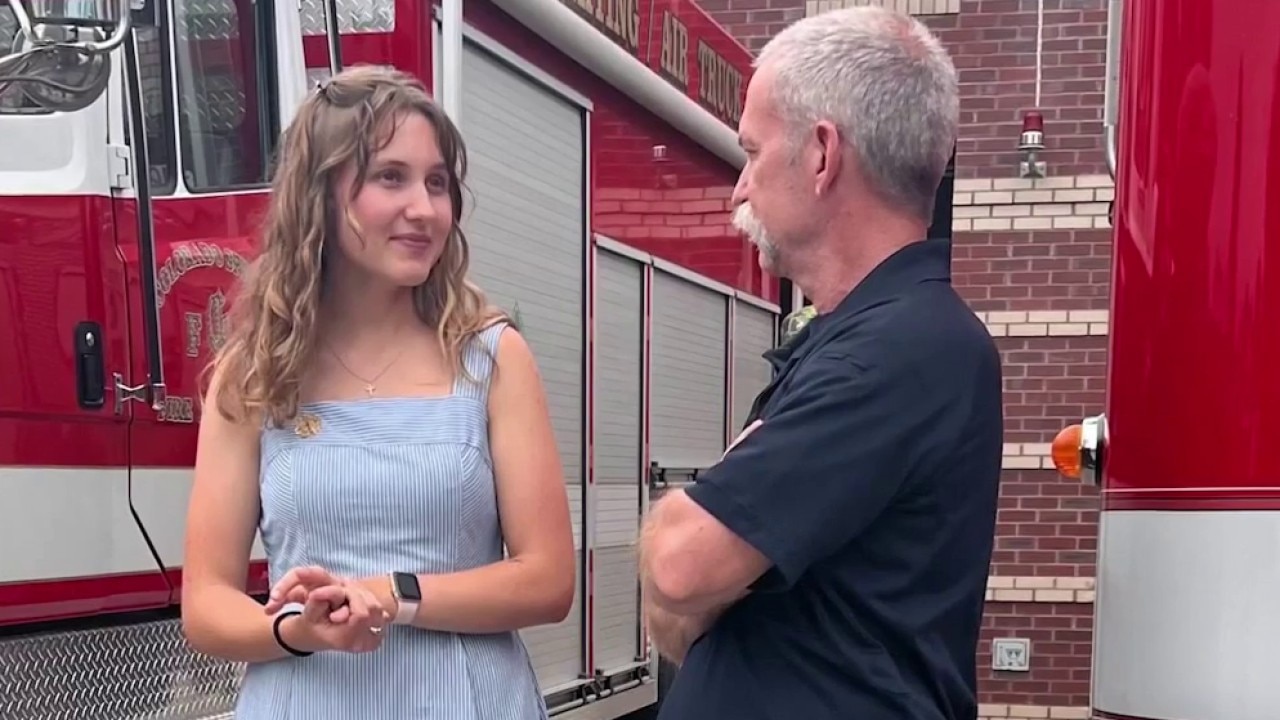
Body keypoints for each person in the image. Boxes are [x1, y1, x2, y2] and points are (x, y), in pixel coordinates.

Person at [638, 6, 1003, 720]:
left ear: (822, 154)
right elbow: (678, 617)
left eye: (752, 152)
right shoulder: (867, 341)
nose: (740, 188)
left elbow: (679, 568)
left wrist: (694, 524)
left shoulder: (900, 352)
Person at [179, 65, 576, 719]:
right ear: (319, 195)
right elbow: (206, 606)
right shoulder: (255, 373)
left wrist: (392, 595)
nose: (425, 209)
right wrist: (300, 630)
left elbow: (548, 580)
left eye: (437, 183)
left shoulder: (492, 358)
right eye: (391, 177)